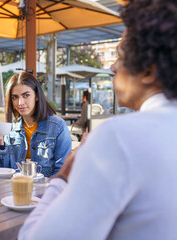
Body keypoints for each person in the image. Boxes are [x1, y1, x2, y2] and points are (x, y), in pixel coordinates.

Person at [19, 0, 177, 239]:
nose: (113, 67)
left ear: (149, 71)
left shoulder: (119, 137)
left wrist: (63, 177)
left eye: (120, 55)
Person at [0, 72, 71, 177]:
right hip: (18, 187)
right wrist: (1, 143)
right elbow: (6, 170)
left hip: (45, 189)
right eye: (15, 97)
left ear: (37, 96)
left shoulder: (57, 126)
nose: (20, 102)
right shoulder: (13, 129)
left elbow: (62, 169)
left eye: (26, 95)